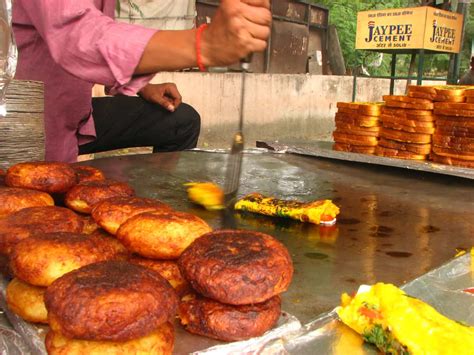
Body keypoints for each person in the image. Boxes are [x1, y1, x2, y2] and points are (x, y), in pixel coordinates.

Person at [12, 0, 271, 163]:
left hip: (75, 116)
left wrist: (141, 85)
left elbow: (95, 45)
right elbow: (76, 36)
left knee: (180, 121)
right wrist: (205, 44)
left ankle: (157, 215)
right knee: (44, 205)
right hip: (22, 129)